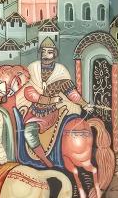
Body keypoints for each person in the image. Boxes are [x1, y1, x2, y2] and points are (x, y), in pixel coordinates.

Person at [17, 37, 93, 167]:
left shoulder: (60, 70)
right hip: (34, 110)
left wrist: (84, 104)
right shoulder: (33, 68)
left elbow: (70, 92)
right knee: (28, 132)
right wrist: (49, 99)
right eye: (43, 51)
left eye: (49, 52)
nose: (46, 55)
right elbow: (28, 92)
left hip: (51, 112)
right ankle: (44, 159)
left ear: (55, 54)